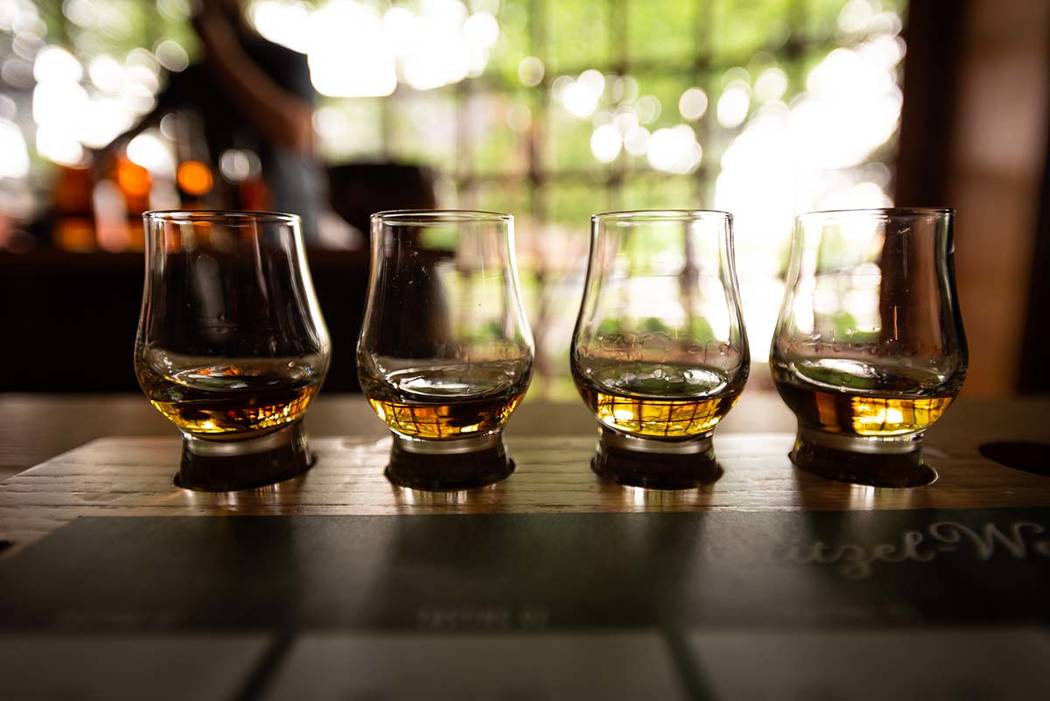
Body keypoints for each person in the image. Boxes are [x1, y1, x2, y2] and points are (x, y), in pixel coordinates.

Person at [103, 0, 325, 242]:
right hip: (212, 229)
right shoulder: (192, 78)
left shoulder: (282, 61)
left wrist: (224, 55)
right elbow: (135, 132)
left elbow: (295, 134)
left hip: (289, 224)